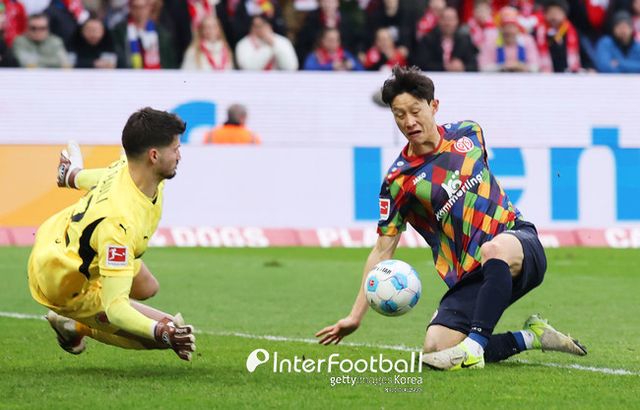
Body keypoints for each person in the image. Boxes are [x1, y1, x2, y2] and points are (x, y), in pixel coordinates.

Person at [315, 66, 587, 371]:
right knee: (436, 350)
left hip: (518, 243)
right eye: (399, 115)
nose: (409, 121)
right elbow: (382, 250)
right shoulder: (399, 181)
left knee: (493, 249)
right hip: (472, 275)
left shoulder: (469, 133)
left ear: (434, 106)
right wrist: (355, 316)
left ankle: (474, 348)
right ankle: (532, 336)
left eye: (415, 111)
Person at [27, 107, 196, 361]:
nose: (179, 155)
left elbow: (105, 177)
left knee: (148, 287)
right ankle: (74, 324)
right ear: (153, 155)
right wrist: (160, 332)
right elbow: (116, 309)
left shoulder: (130, 169)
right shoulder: (119, 223)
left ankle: (88, 315)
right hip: (62, 279)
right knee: (170, 332)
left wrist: (73, 176)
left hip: (64, 238)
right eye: (175, 149)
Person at [111, 0, 176, 69]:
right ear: (130, 8)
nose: (139, 12)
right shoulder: (119, 31)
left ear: (149, 7)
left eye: (143, 7)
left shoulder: (161, 33)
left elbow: (169, 61)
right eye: (136, 7)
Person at [411, 7, 478, 72]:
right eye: (445, 19)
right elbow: (420, 64)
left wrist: (463, 67)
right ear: (439, 20)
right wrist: (445, 67)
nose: (448, 23)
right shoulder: (428, 40)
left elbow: (474, 65)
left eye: (451, 19)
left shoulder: (465, 41)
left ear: (457, 21)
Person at [478, 6, 541, 72]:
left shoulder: (527, 41)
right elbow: (483, 67)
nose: (509, 31)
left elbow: (535, 67)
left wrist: (519, 66)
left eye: (512, 27)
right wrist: (503, 67)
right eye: (505, 27)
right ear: (500, 29)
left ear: (518, 28)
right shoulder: (491, 42)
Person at [535, 0, 582, 72]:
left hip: (568, 74)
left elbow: (583, 56)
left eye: (557, 13)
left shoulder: (572, 32)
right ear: (545, 15)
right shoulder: (538, 33)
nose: (554, 17)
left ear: (564, 15)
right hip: (545, 74)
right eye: (551, 13)